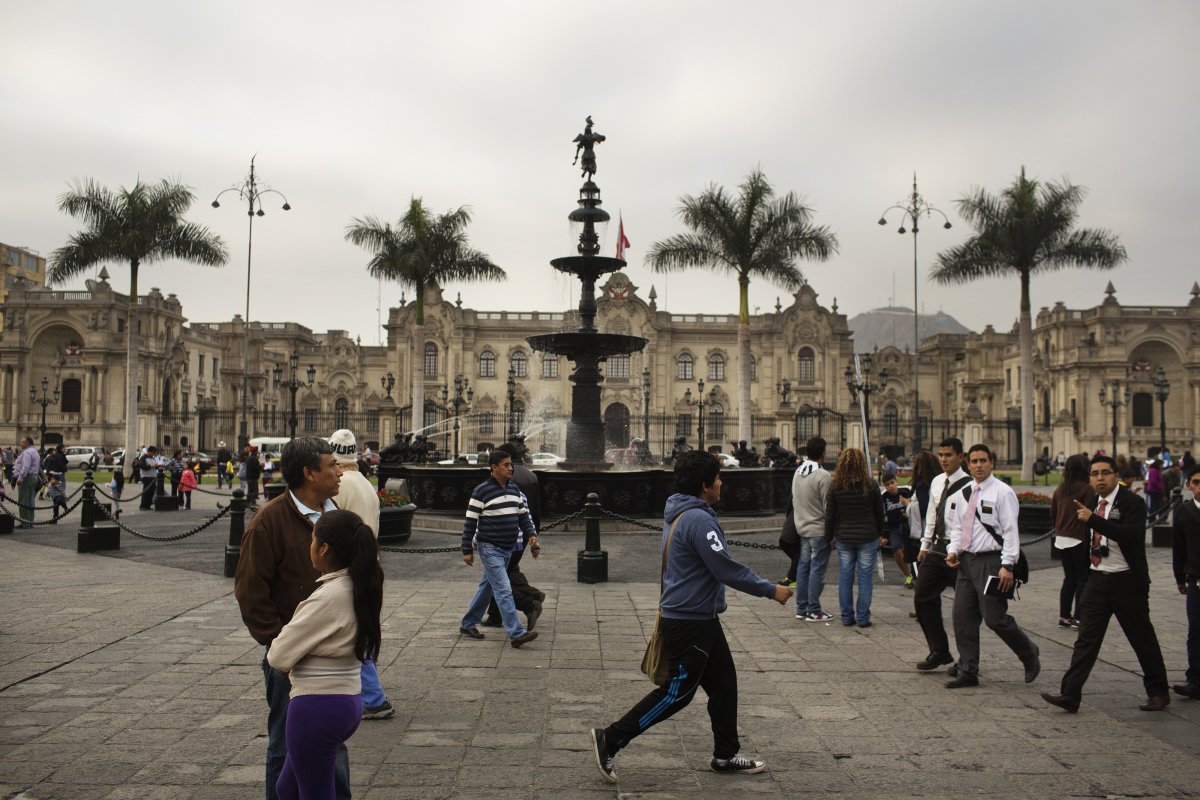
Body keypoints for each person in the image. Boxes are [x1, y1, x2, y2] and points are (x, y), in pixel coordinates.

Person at [589, 450, 793, 782]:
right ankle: (610, 739)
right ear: (704, 484)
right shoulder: (699, 519)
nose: (721, 483)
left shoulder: (681, 512)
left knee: (725, 686)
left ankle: (726, 754)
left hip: (700, 618)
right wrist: (770, 590)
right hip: (690, 622)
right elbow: (724, 568)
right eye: (717, 478)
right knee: (676, 694)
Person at [233, 437, 350, 800]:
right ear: (309, 473)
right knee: (284, 748)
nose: (339, 470)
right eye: (331, 465)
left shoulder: (337, 516)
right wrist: (277, 644)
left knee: (332, 745)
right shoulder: (269, 521)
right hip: (291, 660)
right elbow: (251, 592)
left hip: (334, 659)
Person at [267, 509, 382, 800]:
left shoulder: (328, 597)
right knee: (287, 788)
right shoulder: (358, 586)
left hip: (316, 706)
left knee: (314, 794)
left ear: (325, 548)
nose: (310, 547)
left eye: (312, 540)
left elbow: (278, 655)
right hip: (345, 700)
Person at [1042, 454, 1170, 713]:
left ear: (1116, 476)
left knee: (1142, 639)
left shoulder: (1132, 502)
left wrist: (1094, 520)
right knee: (1086, 641)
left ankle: (1158, 692)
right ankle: (1070, 694)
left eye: (1105, 473)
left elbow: (1130, 535)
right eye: (1095, 474)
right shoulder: (1090, 500)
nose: (1100, 478)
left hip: (1127, 581)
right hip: (1098, 580)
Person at [944, 444, 1041, 689]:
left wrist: (1007, 564)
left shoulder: (1002, 492)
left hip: (992, 561)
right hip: (966, 561)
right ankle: (968, 670)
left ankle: (1028, 653)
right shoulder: (965, 492)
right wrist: (953, 550)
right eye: (974, 461)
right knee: (962, 617)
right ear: (967, 464)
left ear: (992, 463)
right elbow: (958, 527)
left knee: (994, 618)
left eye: (983, 460)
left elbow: (1010, 531)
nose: (978, 465)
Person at [327, 428, 392, 721]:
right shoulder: (364, 483)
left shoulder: (338, 486)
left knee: (354, 631)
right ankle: (362, 689)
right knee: (361, 627)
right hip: (371, 564)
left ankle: (374, 698)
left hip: (349, 566)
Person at [458, 450, 539, 648]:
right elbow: (470, 522)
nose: (510, 468)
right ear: (493, 468)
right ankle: (516, 633)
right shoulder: (481, 491)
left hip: (507, 549)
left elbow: (523, 516)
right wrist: (466, 549)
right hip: (489, 547)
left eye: (510, 464)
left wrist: (532, 536)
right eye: (505, 465)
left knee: (487, 587)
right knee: (503, 590)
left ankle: (467, 624)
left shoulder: (514, 490)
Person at [914, 438, 970, 672]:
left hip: (960, 553)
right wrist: (924, 545)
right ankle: (939, 650)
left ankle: (967, 659)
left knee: (965, 609)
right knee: (922, 596)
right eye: (941, 455)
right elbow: (932, 515)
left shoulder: (969, 485)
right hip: (937, 548)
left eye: (949, 455)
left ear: (960, 457)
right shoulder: (937, 481)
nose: (944, 459)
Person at [484, 443, 546, 631]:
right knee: (508, 571)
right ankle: (496, 615)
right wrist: (533, 534)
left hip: (505, 534)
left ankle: (529, 602)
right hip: (524, 534)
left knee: (499, 576)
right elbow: (535, 508)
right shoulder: (531, 475)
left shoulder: (504, 477)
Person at [826, 448, 884, 627]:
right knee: (865, 578)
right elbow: (879, 513)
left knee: (845, 577)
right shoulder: (871, 484)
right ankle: (863, 617)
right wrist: (879, 533)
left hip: (844, 536)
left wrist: (829, 537)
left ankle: (846, 616)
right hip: (868, 536)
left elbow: (830, 515)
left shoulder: (836, 485)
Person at [1050, 455, 1095, 629]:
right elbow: (1090, 515)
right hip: (1078, 537)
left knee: (1069, 578)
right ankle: (1079, 616)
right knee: (1082, 578)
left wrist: (1060, 527)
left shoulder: (1060, 489)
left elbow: (1053, 513)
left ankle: (1064, 615)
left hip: (1061, 538)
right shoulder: (1086, 489)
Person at [792, 437, 833, 622]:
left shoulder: (798, 472)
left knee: (803, 567)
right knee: (817, 569)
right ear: (823, 454)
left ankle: (802, 608)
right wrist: (832, 533)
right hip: (818, 528)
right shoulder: (823, 475)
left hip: (802, 527)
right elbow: (828, 506)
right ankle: (814, 609)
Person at [1172, 465, 1200, 700]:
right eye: (1196, 482)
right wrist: (1179, 577)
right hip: (1196, 581)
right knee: (1195, 631)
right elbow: (1178, 547)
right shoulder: (1183, 512)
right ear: (1189, 485)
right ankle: (1195, 679)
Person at [902, 451, 938, 588]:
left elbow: (924, 509)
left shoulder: (922, 485)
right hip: (936, 531)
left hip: (923, 533)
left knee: (922, 571)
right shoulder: (937, 481)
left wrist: (908, 505)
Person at [880, 472, 913, 588]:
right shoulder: (884, 498)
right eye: (887, 484)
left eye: (892, 483)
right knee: (896, 551)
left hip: (909, 526)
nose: (891, 486)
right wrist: (883, 535)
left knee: (914, 550)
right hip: (894, 528)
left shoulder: (906, 492)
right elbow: (881, 517)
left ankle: (918, 573)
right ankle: (908, 575)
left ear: (896, 481)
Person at [13, 437, 40, 528]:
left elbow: (25, 467)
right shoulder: (35, 452)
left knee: (23, 500)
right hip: (33, 477)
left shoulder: (27, 453)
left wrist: (20, 478)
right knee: (30, 500)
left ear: (27, 443)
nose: (20, 443)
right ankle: (30, 521)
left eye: (22, 442)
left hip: (27, 478)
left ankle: (24, 523)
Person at [137, 446, 160, 510]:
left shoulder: (153, 458)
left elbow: (154, 466)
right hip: (146, 476)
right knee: (146, 492)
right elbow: (142, 466)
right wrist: (151, 466)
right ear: (149, 452)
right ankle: (143, 506)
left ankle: (148, 505)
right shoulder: (143, 458)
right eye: (153, 452)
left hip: (153, 476)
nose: (154, 454)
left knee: (151, 492)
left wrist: (157, 466)